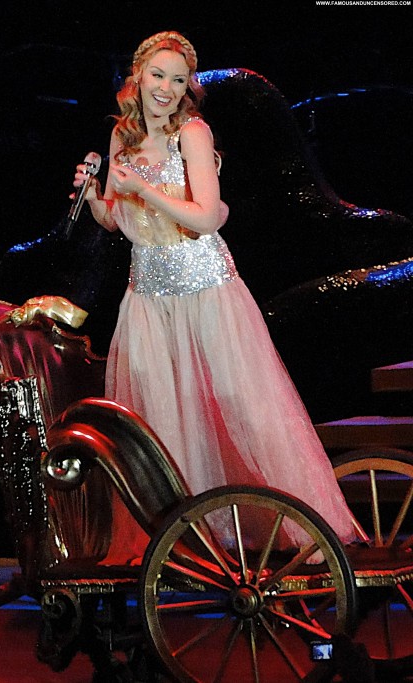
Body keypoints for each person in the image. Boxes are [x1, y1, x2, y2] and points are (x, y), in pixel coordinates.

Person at [73, 30, 363, 560]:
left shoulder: (193, 133)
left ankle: (300, 530)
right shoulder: (121, 137)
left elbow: (207, 216)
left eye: (178, 79)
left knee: (240, 408)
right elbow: (116, 221)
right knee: (162, 421)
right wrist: (96, 196)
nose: (166, 88)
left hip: (205, 289)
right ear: (137, 77)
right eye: (157, 75)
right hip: (148, 297)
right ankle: (186, 545)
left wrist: (143, 188)